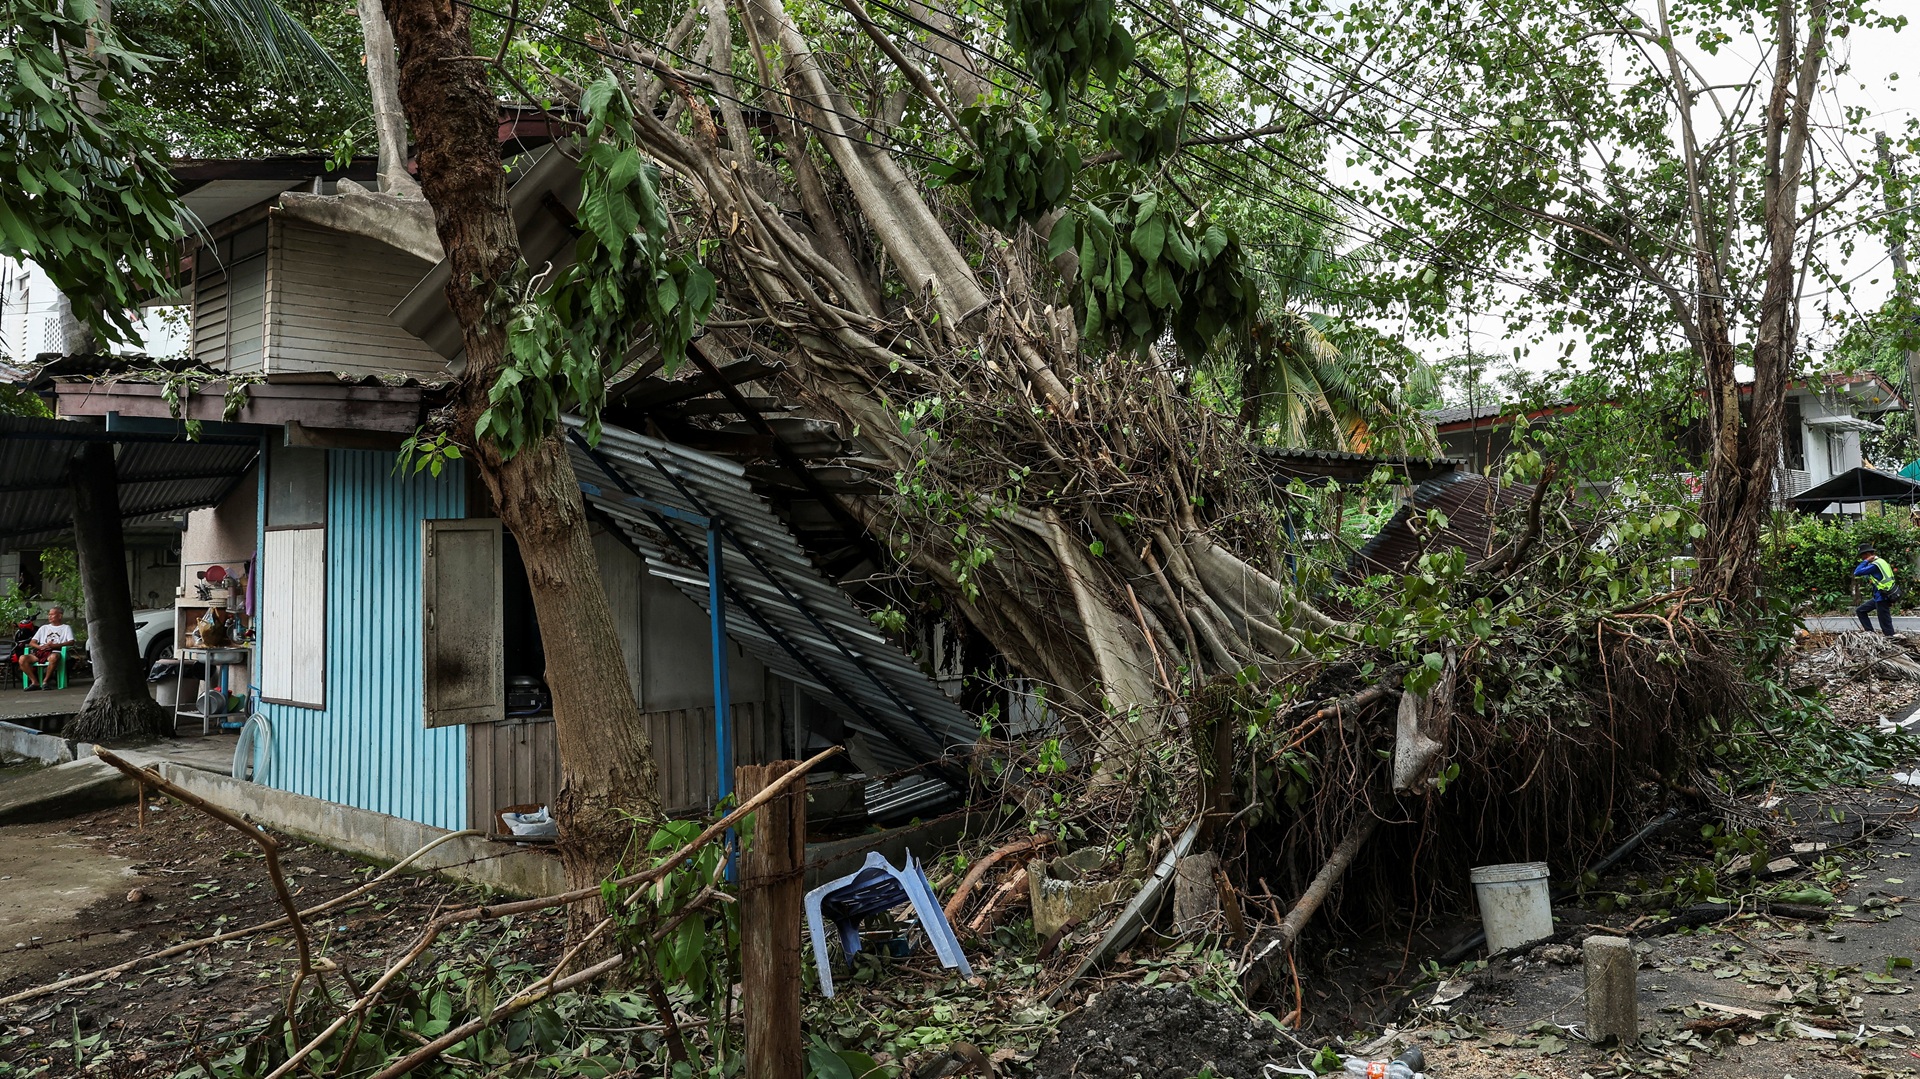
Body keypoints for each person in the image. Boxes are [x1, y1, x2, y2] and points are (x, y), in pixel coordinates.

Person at [17, 606, 74, 689]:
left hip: (55, 652)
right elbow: (32, 642)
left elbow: (71, 642)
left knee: (53, 657)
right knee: (22, 659)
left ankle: (45, 682)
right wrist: (40, 647)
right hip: (41, 651)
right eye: (49, 615)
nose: (49, 616)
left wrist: (54, 646)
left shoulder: (66, 628)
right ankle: (34, 682)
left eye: (52, 614)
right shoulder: (44, 628)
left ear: (60, 616)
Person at [1853, 544, 1902, 636]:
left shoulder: (1875, 565)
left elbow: (1857, 572)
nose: (1862, 558)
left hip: (1883, 596)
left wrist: (1866, 561)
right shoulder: (1881, 562)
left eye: (1862, 556)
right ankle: (1870, 634)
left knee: (1885, 622)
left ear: (1867, 554)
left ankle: (1891, 640)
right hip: (1880, 595)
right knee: (1861, 610)